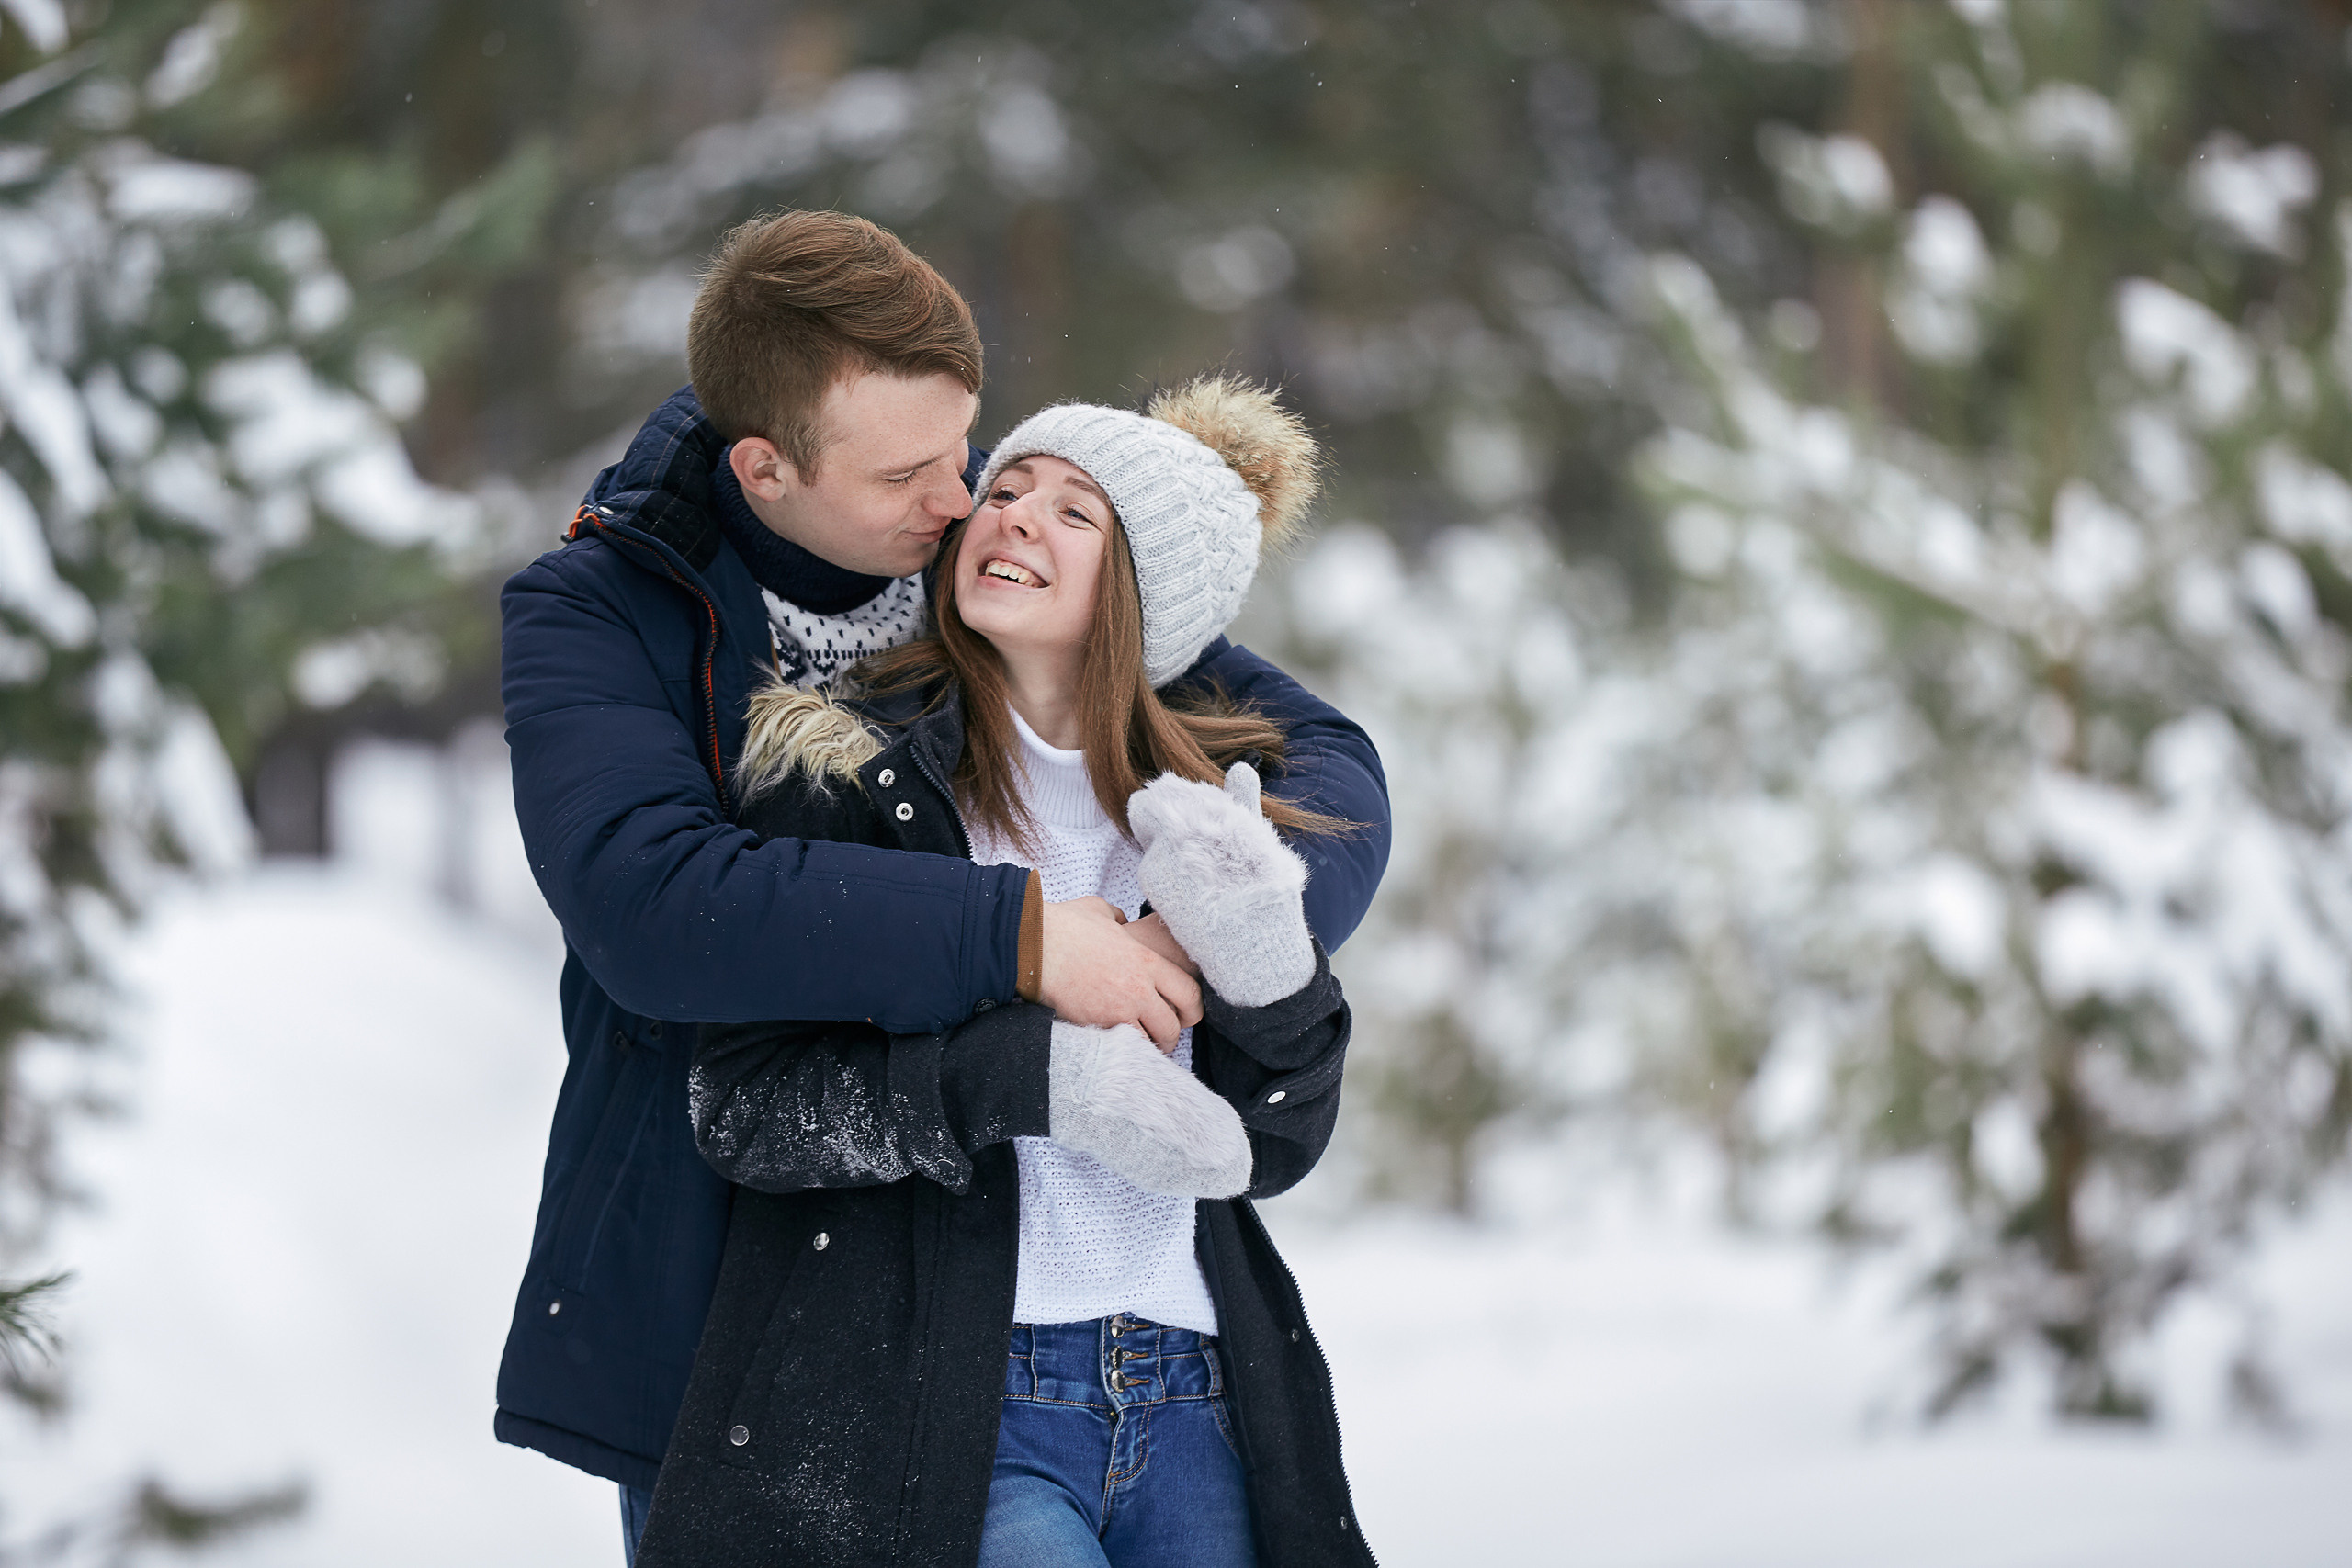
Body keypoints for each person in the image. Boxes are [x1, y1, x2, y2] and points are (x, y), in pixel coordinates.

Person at [492, 209, 1391, 1545]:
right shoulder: (598, 610)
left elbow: (1322, 758)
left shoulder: (977, 553)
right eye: (916, 473)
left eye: (969, 449)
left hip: (1031, 1309)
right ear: (767, 468)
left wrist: (1216, 942)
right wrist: (1027, 944)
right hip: (718, 1281)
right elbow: (657, 908)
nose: (968, 499)